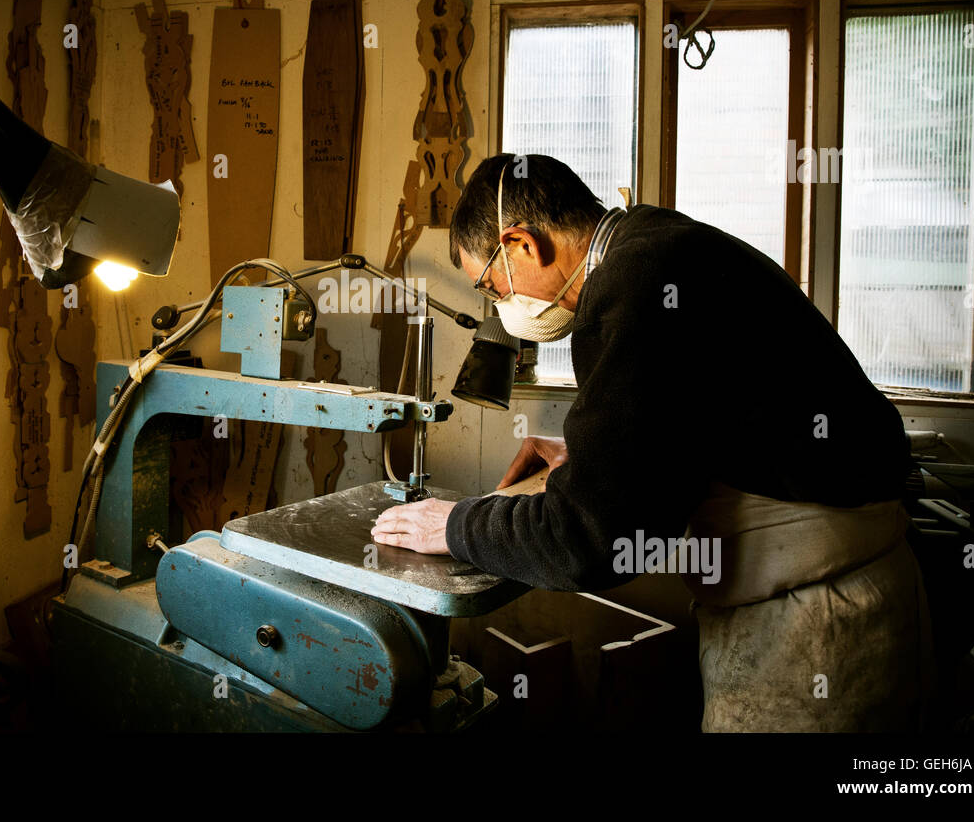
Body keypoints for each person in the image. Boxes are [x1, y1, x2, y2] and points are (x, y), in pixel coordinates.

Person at [371, 153, 934, 731]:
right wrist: (597, 457)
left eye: (492, 287)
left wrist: (456, 525)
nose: (501, 307)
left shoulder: (634, 286)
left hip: (817, 625)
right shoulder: (662, 242)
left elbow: (593, 539)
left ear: (522, 245)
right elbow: (710, 422)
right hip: (853, 593)